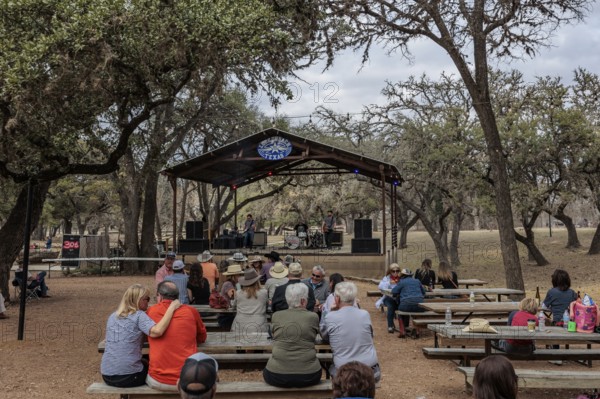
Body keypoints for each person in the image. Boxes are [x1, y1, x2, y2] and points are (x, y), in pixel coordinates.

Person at [101, 284, 181, 388]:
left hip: (107, 375)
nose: (148, 302)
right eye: (146, 299)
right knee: (155, 372)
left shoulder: (113, 316)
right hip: (129, 377)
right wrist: (172, 308)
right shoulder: (139, 315)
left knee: (143, 360)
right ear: (138, 300)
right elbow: (157, 331)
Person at [146, 281, 207, 391]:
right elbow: (202, 337)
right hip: (187, 379)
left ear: (159, 296)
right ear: (177, 297)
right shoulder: (191, 312)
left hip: (157, 380)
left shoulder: (151, 311)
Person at [263, 283, 322, 388]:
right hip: (309, 374)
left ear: (287, 299)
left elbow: (274, 334)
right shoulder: (313, 317)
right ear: (303, 301)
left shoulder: (276, 316)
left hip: (276, 374)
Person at [320, 282, 380, 381]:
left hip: (344, 372)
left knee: (331, 367)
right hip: (371, 370)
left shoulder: (330, 317)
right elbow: (370, 335)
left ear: (337, 299)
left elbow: (324, 336)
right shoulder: (365, 314)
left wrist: (329, 311)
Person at [231, 268, 268, 333]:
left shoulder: (238, 293)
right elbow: (266, 306)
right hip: (259, 326)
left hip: (240, 327)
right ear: (257, 281)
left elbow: (233, 307)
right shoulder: (264, 292)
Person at [391, 268, 426, 333]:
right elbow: (423, 292)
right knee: (416, 310)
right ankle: (416, 329)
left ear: (402, 275)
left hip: (405, 306)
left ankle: (403, 329)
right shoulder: (417, 281)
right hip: (420, 306)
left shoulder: (402, 282)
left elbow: (394, 291)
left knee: (400, 309)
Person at [217, 264, 244, 329]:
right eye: (239, 275)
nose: (240, 277)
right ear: (233, 276)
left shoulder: (232, 284)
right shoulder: (228, 284)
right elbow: (234, 297)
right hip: (225, 317)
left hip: (228, 314)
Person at [377, 264, 401, 333]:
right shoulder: (386, 278)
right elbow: (380, 287)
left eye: (397, 271)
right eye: (393, 271)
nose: (395, 273)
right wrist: (389, 282)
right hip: (388, 297)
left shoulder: (401, 278)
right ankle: (390, 326)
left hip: (399, 297)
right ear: (390, 271)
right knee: (390, 307)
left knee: (404, 306)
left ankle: (404, 326)